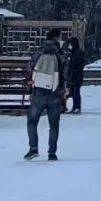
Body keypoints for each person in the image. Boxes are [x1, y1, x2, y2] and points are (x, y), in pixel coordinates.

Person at [24, 28, 65, 160]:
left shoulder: (38, 53)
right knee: (53, 125)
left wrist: (29, 85)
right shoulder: (60, 55)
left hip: (38, 92)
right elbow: (66, 73)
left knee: (32, 121)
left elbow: (29, 70)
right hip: (55, 93)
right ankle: (52, 152)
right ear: (57, 39)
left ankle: (33, 148)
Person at [65, 32, 85, 114]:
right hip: (72, 76)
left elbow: (79, 65)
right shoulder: (73, 53)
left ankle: (77, 107)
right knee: (73, 93)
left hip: (77, 76)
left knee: (76, 93)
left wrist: (74, 71)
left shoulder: (79, 53)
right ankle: (74, 107)